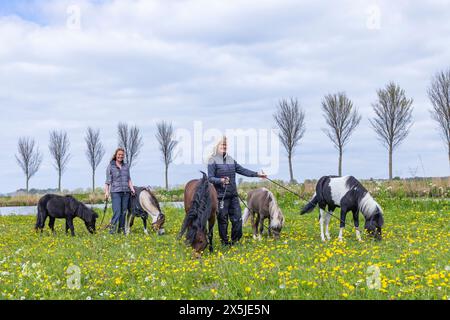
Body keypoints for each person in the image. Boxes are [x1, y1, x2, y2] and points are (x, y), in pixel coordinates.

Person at [207, 137, 267, 246]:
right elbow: (210, 178)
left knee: (238, 220)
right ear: (217, 147)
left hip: (233, 195)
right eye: (222, 145)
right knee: (223, 221)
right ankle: (225, 243)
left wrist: (257, 174)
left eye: (225, 145)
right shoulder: (212, 160)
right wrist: (221, 180)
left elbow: (242, 170)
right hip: (221, 197)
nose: (224, 147)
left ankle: (235, 242)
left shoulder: (231, 160)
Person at [104, 148, 136, 234]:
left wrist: (132, 189)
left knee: (124, 213)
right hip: (115, 192)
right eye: (119, 154)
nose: (120, 156)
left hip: (126, 192)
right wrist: (106, 192)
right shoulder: (111, 166)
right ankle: (112, 231)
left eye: (122, 155)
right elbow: (107, 181)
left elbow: (128, 179)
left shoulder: (126, 166)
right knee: (117, 212)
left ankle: (121, 231)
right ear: (116, 155)